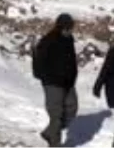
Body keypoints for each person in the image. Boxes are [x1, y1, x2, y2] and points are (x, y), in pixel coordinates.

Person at [32, 13, 78, 148]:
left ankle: (49, 132)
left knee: (72, 108)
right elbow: (39, 64)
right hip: (52, 83)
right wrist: (49, 77)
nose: (70, 30)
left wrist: (72, 76)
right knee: (56, 115)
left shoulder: (69, 39)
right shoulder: (48, 40)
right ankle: (54, 144)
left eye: (71, 28)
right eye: (68, 28)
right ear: (61, 27)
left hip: (68, 83)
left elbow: (71, 61)